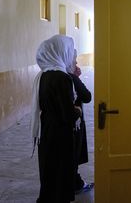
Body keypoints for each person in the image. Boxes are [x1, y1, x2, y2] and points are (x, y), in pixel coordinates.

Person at [31, 35, 82, 203]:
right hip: (61, 136)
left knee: (49, 173)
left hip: (46, 131)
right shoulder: (62, 78)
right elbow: (67, 114)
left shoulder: (43, 75)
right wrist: (77, 111)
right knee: (61, 176)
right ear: (61, 52)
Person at [68, 50, 94, 194]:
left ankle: (76, 181)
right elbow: (87, 96)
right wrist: (77, 78)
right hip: (73, 125)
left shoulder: (48, 74)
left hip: (57, 127)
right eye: (73, 59)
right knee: (73, 155)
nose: (76, 62)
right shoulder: (69, 77)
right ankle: (75, 184)